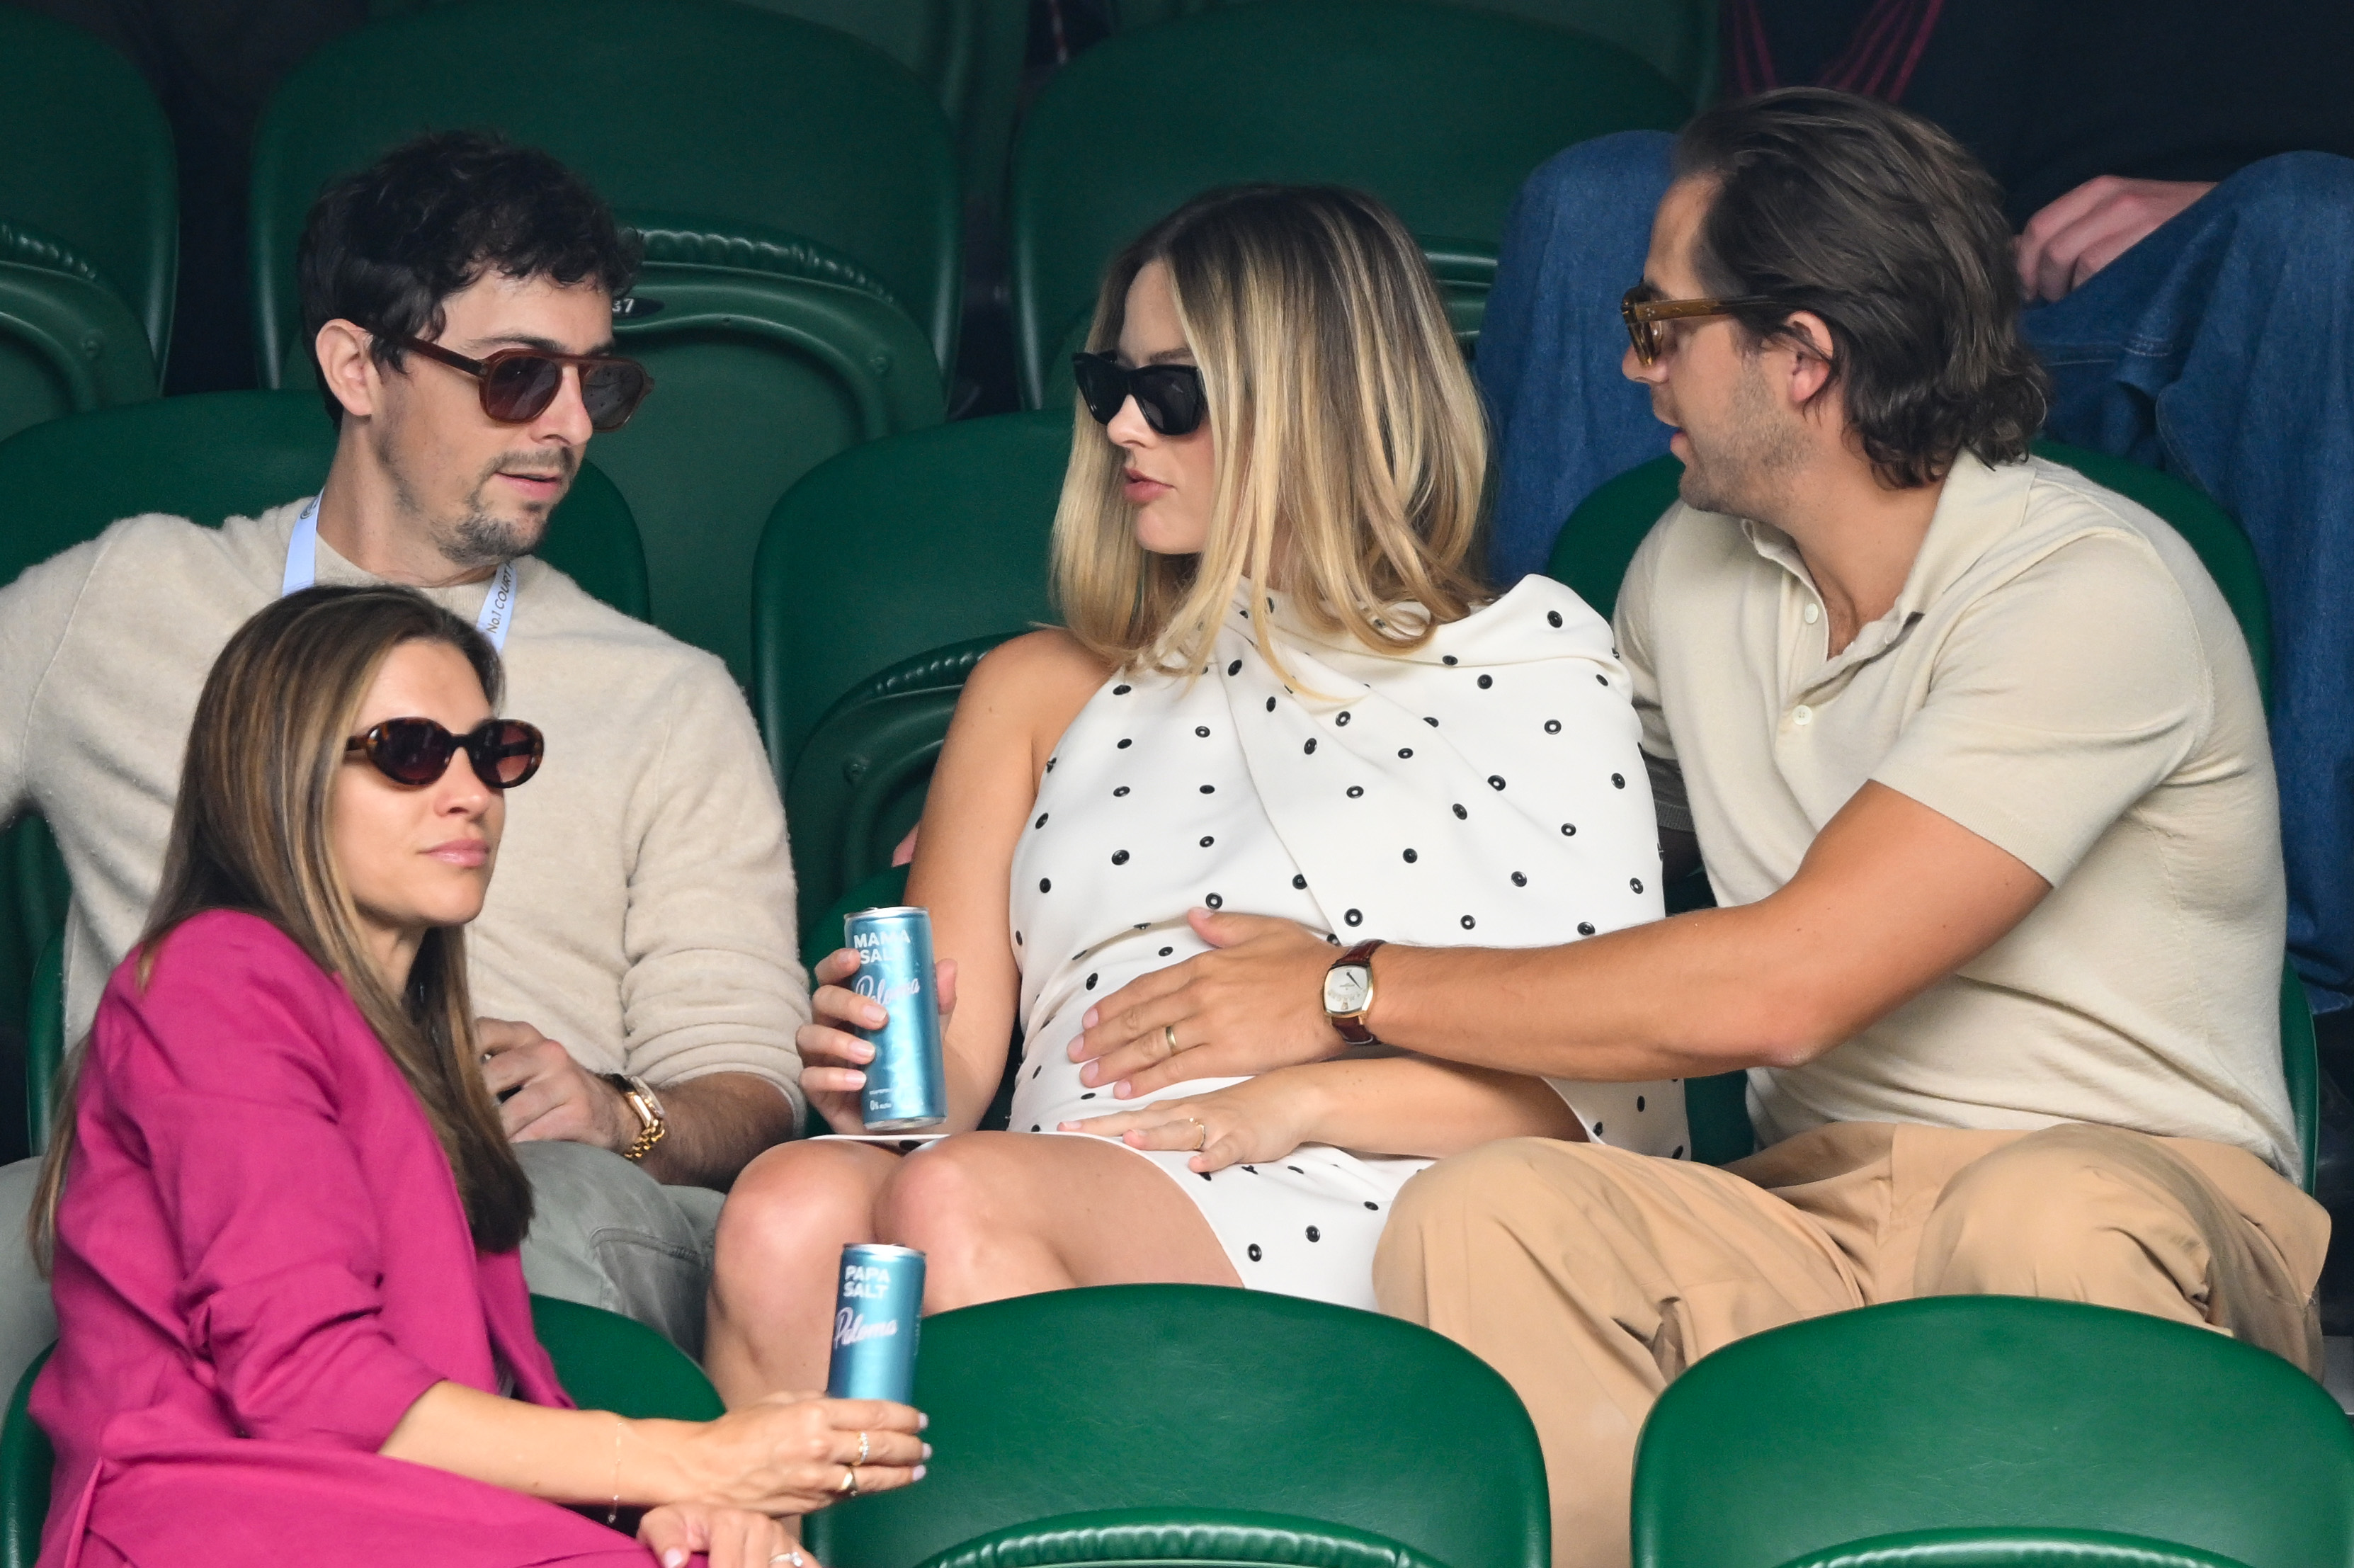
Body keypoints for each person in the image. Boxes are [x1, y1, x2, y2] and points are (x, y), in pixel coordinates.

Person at [1066, 96, 2329, 1568]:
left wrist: (1343, 984)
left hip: (2133, 1196)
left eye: (1662, 325)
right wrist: (1113, 794)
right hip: (1819, 1208)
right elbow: (1488, 793)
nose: (1628, 364)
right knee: (1497, 1213)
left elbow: (1780, 990)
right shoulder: (1690, 570)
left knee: (2040, 1214)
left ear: (1803, 357)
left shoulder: (2090, 592)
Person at [700, 185, 1687, 1403]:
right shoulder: (1032, 688)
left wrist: (1295, 1093)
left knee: (958, 1196)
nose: (1120, 425)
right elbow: (941, 1087)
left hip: (1376, 1181)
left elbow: (1612, 1113)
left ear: (1316, 403)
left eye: (1171, 392)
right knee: (790, 1204)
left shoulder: (1531, 655)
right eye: (1106, 381)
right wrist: (872, 1073)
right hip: (1074, 1173)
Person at [0, 130, 804, 1373]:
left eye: (601, 383)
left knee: (491, 1241)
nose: (572, 427)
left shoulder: (672, 696)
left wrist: (620, 1112)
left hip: (531, 1189)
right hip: (176, 1175)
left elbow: (743, 1084)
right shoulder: (127, 598)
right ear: (357, 366)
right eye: (519, 376)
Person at [1474, 0, 2354, 1031]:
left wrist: (2213, 197)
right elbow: (1785, 120)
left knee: (2318, 229)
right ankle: (1525, 879)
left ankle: (2313, 1004)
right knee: (1599, 196)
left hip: (2193, 296)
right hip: (1881, 258)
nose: (1639, 363)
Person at [30, 585, 921, 1568]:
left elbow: (471, 1401)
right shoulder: (219, 977)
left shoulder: (410, 1047)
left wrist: (653, 1508)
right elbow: (310, 1384)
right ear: (277, 775)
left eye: (492, 753)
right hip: (229, 1519)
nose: (471, 794)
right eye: (410, 753)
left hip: (396, 1516)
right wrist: (690, 1463)